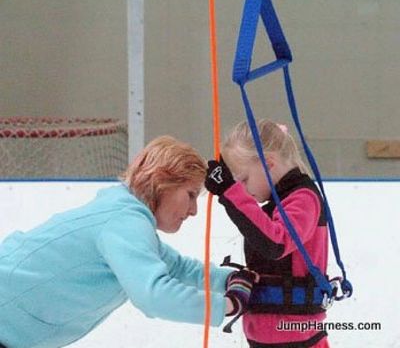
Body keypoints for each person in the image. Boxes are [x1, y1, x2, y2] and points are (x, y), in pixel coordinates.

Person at [0, 135, 255, 348]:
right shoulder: (124, 221)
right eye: (190, 195)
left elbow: (177, 268)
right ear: (162, 182)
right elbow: (154, 296)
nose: (193, 211)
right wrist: (228, 306)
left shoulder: (125, 217)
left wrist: (232, 280)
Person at [205, 120, 330, 348]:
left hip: (298, 339)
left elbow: (276, 243)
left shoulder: (303, 199)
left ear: (268, 163)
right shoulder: (274, 206)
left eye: (243, 180)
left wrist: (229, 191)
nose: (242, 189)